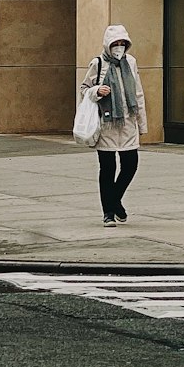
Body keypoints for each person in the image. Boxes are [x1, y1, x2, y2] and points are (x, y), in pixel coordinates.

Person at [80, 25, 148, 226]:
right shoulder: (98, 63)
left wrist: (142, 124)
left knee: (130, 164)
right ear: (108, 45)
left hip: (127, 121)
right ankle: (108, 212)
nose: (119, 47)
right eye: (115, 43)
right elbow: (84, 89)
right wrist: (97, 91)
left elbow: (138, 93)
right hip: (107, 122)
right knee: (107, 168)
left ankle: (115, 200)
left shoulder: (131, 62)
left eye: (122, 43)